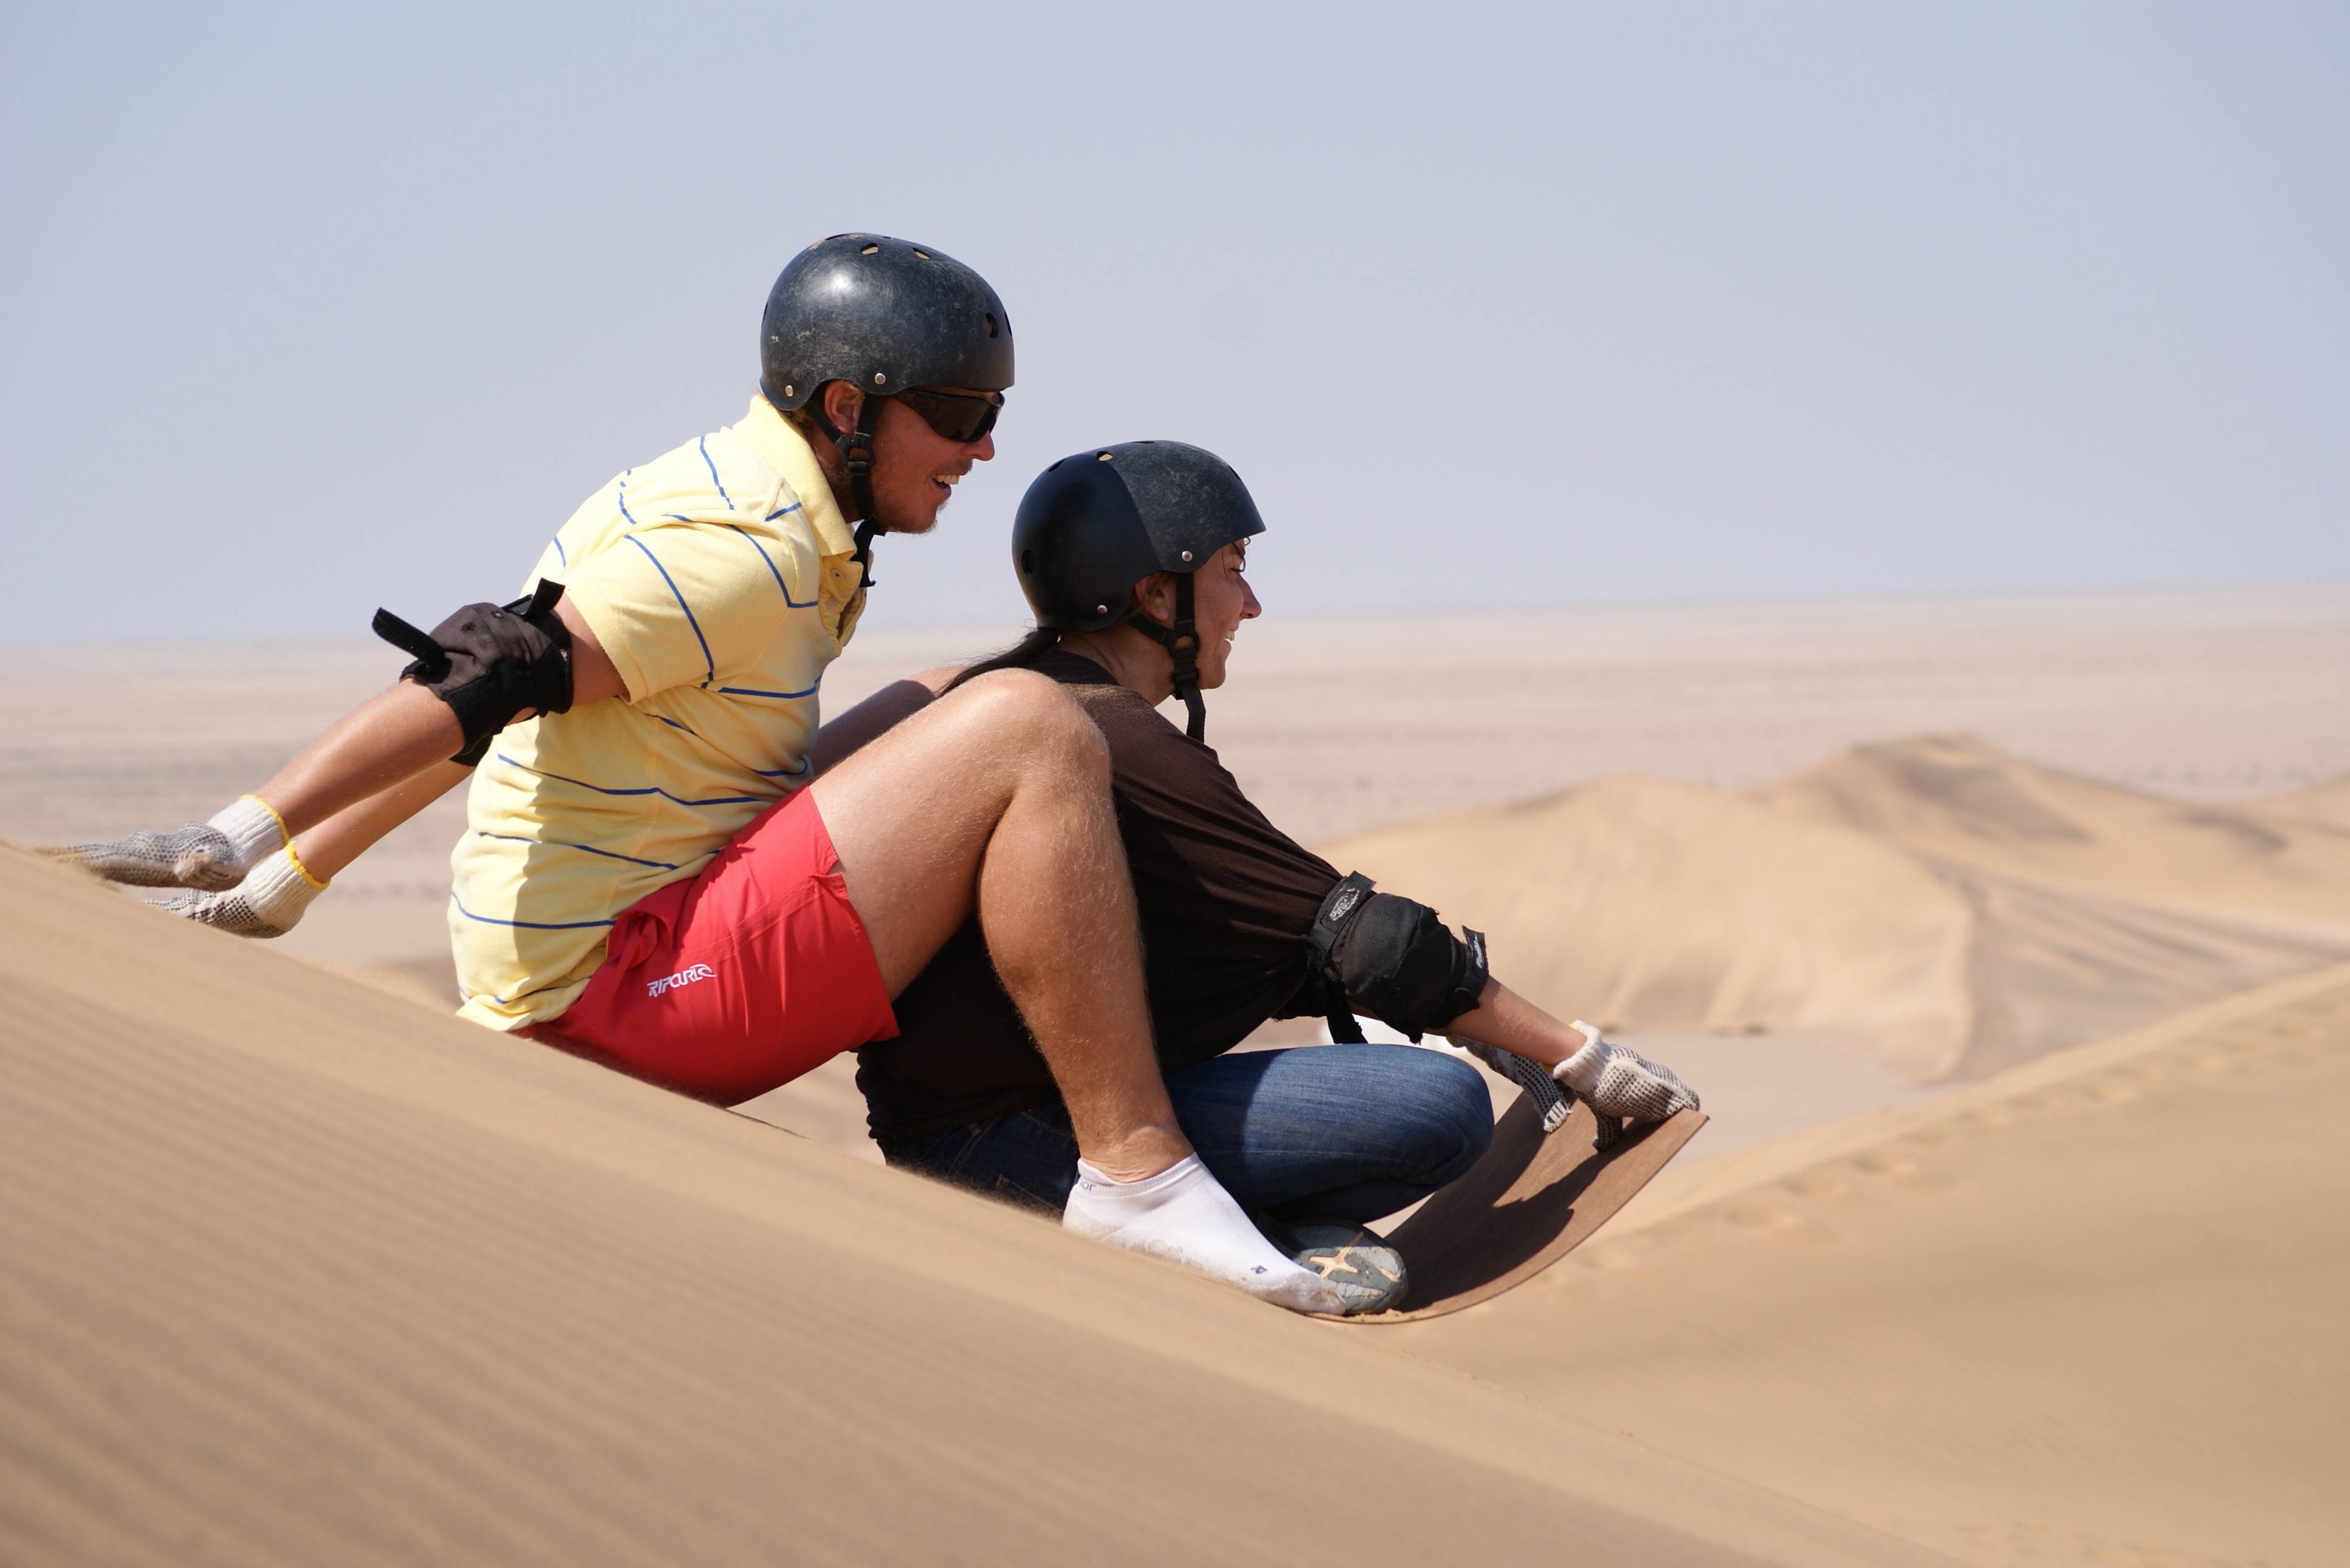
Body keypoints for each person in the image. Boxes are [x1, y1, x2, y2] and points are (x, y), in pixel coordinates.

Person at [47, 239, 1344, 1315]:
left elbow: (520, 708)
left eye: (991, 415)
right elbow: (491, 670)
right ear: (846, 408)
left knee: (948, 703)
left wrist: (292, 881)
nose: (982, 450)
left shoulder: (767, 505)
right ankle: (1138, 1171)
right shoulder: (753, 556)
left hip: (631, 939)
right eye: (955, 415)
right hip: (620, 1001)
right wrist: (239, 833)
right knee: (1030, 729)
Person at [824, 441, 1701, 1314]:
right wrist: (1578, 1055)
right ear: (1154, 591)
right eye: (1233, 569)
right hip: (1017, 1151)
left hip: (952, 1131)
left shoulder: (996, 693)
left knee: (1392, 1055)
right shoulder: (1103, 736)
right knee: (1435, 1104)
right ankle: (1226, 1233)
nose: (1251, 603)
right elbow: (1373, 944)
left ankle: (1240, 1224)